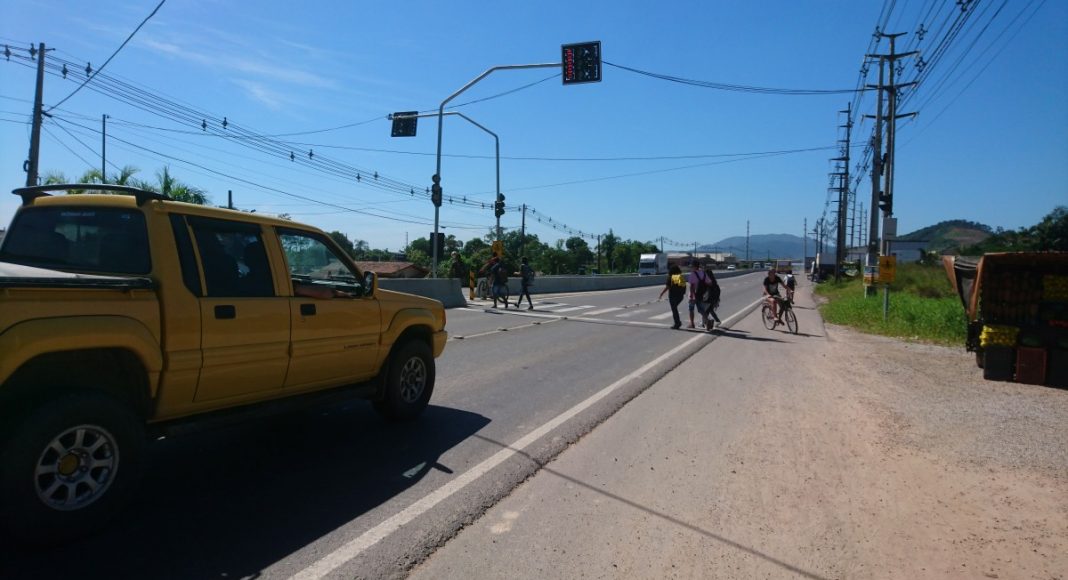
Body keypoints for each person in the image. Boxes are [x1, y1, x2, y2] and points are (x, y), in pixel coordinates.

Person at [658, 263, 688, 329]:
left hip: (673, 296)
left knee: (674, 310)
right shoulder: (680, 277)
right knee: (675, 309)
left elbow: (667, 287)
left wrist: (662, 293)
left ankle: (677, 323)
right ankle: (677, 322)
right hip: (680, 296)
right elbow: (684, 286)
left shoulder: (671, 277)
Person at [687, 259, 713, 331]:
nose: (690, 267)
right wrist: (703, 285)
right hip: (701, 294)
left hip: (694, 294)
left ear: (694, 266)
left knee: (691, 309)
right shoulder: (703, 273)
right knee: (701, 310)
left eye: (691, 266)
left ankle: (692, 324)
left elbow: (691, 286)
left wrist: (692, 295)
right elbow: (710, 283)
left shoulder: (692, 274)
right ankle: (707, 321)